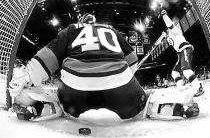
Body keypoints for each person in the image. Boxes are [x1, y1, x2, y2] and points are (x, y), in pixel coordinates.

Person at [8, 13, 147, 121]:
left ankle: (47, 106)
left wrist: (26, 77)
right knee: (138, 103)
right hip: (120, 86)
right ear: (95, 22)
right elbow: (133, 60)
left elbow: (48, 57)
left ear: (81, 21)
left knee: (66, 102)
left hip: (76, 92)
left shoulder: (72, 29)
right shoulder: (111, 30)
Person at [160, 10, 204, 97]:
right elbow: (168, 39)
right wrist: (163, 38)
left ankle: (199, 88)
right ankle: (181, 90)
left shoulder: (176, 30)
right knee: (175, 73)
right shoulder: (169, 37)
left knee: (186, 70)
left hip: (185, 49)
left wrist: (164, 16)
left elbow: (169, 25)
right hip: (180, 53)